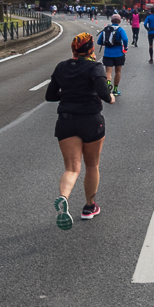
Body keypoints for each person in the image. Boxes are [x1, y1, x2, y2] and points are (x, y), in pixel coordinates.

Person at [45, 32, 115, 229]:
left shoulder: (61, 67)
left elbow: (50, 95)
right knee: (92, 165)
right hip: (91, 120)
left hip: (66, 121)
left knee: (71, 168)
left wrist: (70, 94)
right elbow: (103, 91)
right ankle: (89, 207)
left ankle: (63, 197)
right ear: (91, 49)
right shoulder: (95, 67)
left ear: (74, 49)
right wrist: (110, 98)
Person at [97, 13, 130, 96]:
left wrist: (108, 44)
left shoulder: (106, 29)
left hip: (108, 54)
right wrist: (125, 47)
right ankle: (115, 89)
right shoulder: (120, 30)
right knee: (118, 72)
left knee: (108, 72)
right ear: (119, 21)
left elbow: (99, 41)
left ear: (111, 21)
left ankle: (108, 86)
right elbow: (125, 39)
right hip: (119, 53)